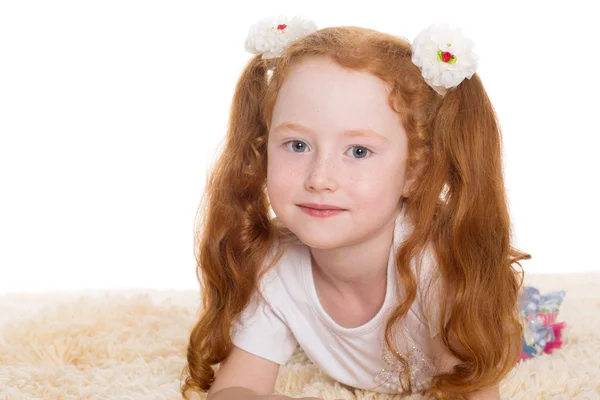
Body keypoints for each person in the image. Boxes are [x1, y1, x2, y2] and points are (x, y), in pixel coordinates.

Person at [181, 16, 535, 400]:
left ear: (414, 172)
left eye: (359, 151)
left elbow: (472, 391)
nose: (320, 178)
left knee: (524, 322)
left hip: (500, 318)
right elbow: (235, 388)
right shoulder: (274, 266)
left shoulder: (438, 267)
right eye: (297, 145)